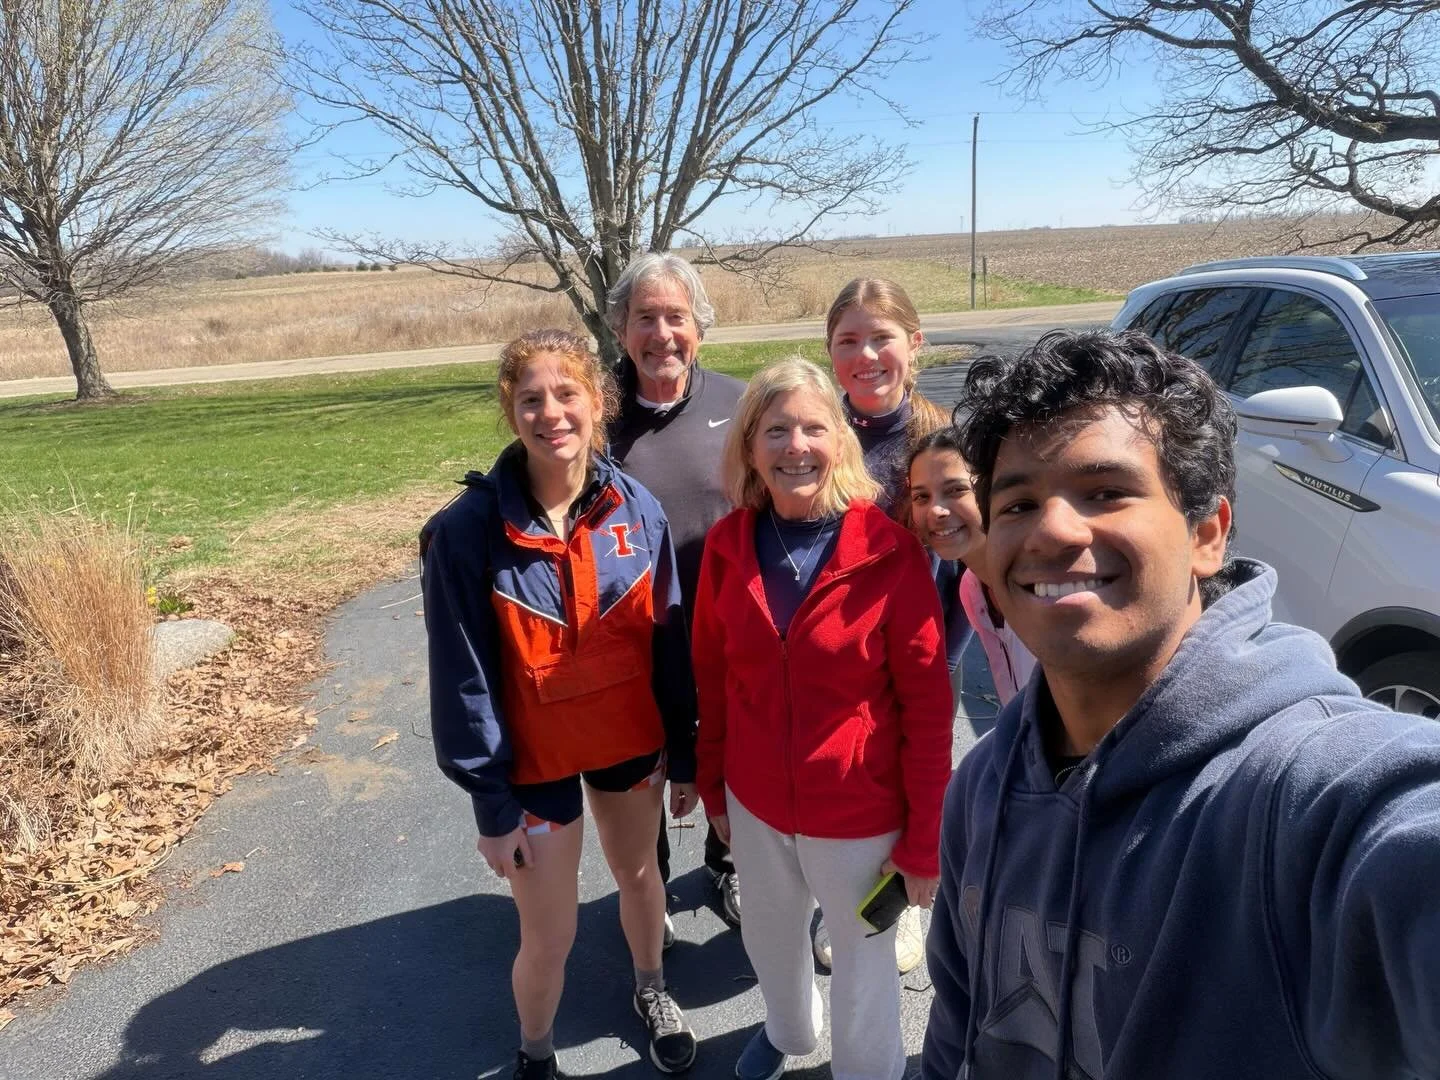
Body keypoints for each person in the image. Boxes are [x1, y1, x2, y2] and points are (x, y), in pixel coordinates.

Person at [922, 329, 1440, 1080]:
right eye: (1019, 502)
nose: (1053, 529)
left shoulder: (1309, 797)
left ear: (1208, 534)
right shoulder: (984, 787)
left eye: (1106, 492)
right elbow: (955, 1029)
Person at [421, 329, 700, 1080]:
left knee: (641, 878)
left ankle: (652, 989)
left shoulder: (637, 509)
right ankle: (536, 1053)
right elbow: (462, 676)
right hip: (533, 765)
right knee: (550, 932)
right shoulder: (465, 532)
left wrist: (688, 754)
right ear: (509, 412)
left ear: (598, 401)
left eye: (567, 394)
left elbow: (668, 641)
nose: (551, 414)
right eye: (530, 399)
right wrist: (490, 803)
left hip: (629, 742)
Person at [692, 357, 953, 1080]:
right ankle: (788, 1032)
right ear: (750, 448)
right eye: (775, 430)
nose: (795, 446)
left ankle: (866, 1072)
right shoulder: (726, 546)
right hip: (754, 801)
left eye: (813, 427)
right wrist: (715, 789)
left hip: (861, 813)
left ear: (839, 442)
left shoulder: (890, 554)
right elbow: (712, 681)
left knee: (865, 961)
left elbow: (930, 708)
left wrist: (925, 840)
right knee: (773, 941)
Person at [817, 276, 962, 974]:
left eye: (882, 337)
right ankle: (834, 888)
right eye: (848, 340)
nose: (866, 354)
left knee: (912, 776)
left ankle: (902, 898)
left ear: (915, 343)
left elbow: (965, 563)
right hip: (833, 661)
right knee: (843, 781)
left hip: (919, 658)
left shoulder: (941, 443)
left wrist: (946, 658)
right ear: (829, 351)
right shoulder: (815, 433)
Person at [604, 251, 746, 929]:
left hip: (729, 629)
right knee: (643, 770)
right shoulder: (593, 413)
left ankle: (726, 866)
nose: (661, 334)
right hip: (631, 641)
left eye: (676, 317)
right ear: (621, 329)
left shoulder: (741, 403)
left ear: (700, 327)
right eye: (645, 318)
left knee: (732, 750)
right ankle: (649, 889)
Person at [906, 426, 1036, 707]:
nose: (936, 510)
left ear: (992, 489)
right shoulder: (973, 590)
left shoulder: (1043, 584)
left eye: (956, 490)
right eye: (921, 497)